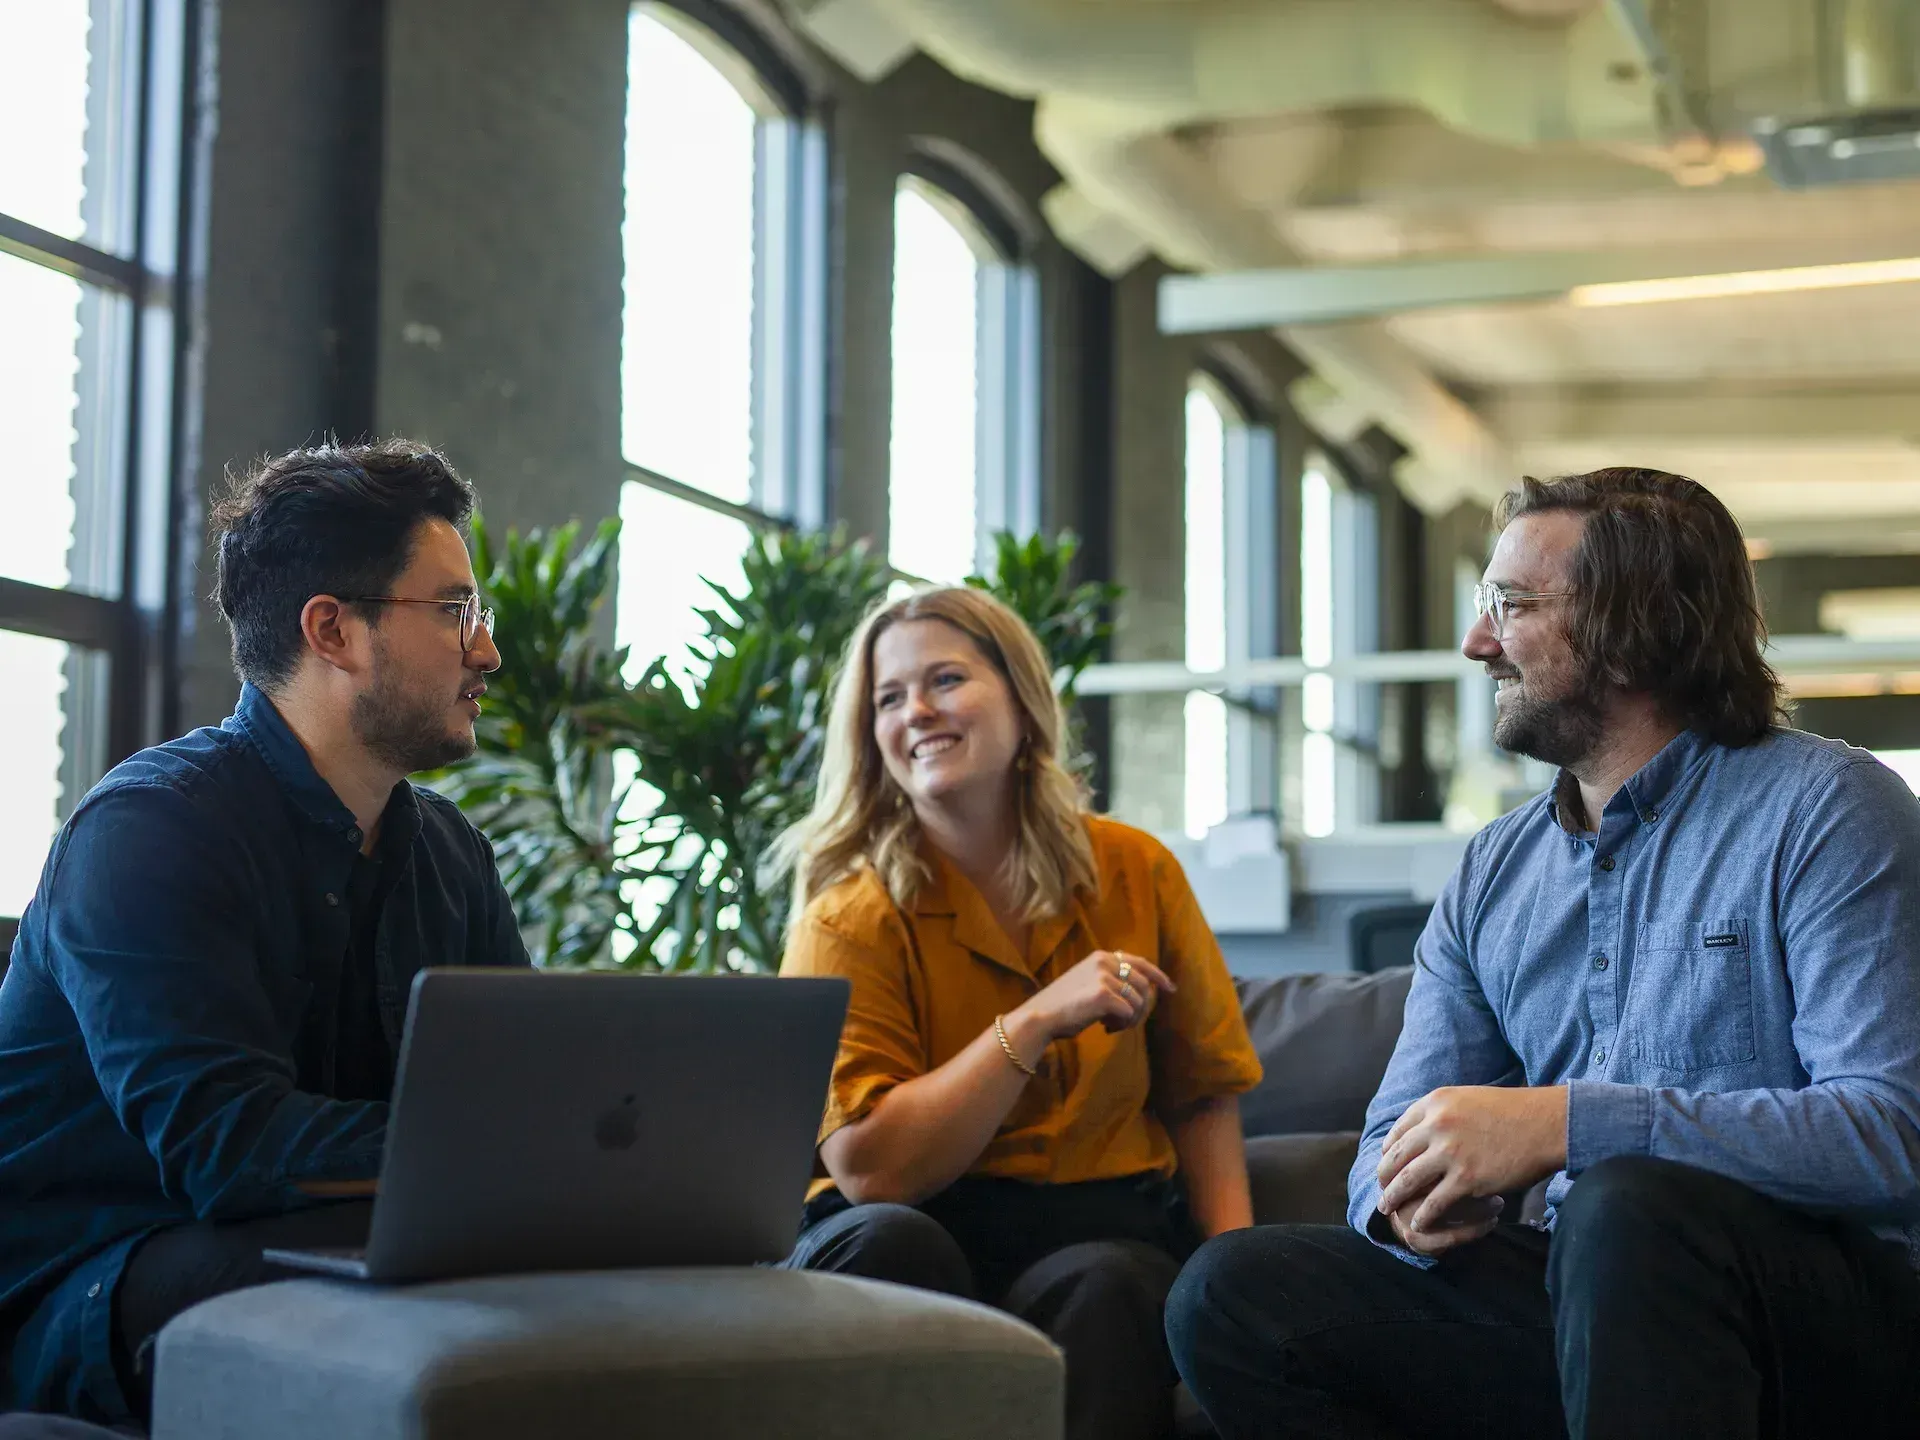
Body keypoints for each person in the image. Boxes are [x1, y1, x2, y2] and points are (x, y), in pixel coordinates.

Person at [1167, 466, 1920, 1440]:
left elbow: (1890, 1136)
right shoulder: (1496, 869)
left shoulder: (1829, 810)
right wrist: (1400, 1206)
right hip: (1586, 1296)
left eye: (1512, 606)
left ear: (1636, 628)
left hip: (1823, 1316)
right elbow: (1392, 1133)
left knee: (1628, 1206)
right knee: (1234, 1292)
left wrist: (1568, 1123)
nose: (1477, 643)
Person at [0, 441, 529, 1426]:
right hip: (89, 1284)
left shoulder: (452, 856)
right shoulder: (150, 828)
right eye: (454, 610)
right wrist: (509, 1154)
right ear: (332, 630)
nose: (485, 650)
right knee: (427, 1283)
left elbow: (522, 1095)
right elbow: (229, 1149)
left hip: (323, 1239)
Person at [771, 585, 1262, 1440]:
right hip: (911, 1220)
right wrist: (1033, 1023)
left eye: (946, 679)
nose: (917, 711)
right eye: (889, 698)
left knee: (1109, 1283)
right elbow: (873, 1171)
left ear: (1022, 700)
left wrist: (1237, 1280)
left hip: (1096, 1224)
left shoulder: (1137, 870)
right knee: (891, 1243)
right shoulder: (847, 918)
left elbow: (1203, 1095)